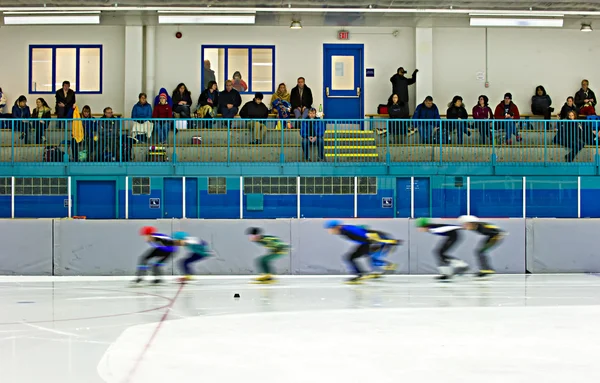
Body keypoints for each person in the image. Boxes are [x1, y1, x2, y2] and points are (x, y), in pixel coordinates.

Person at [325, 220, 401, 284]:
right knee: (355, 257)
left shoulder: (347, 229)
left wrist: (389, 241)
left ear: (337, 227)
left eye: (330, 229)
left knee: (355, 257)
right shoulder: (344, 230)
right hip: (369, 242)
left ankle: (382, 267)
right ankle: (373, 271)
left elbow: (367, 235)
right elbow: (363, 229)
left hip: (377, 241)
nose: (329, 231)